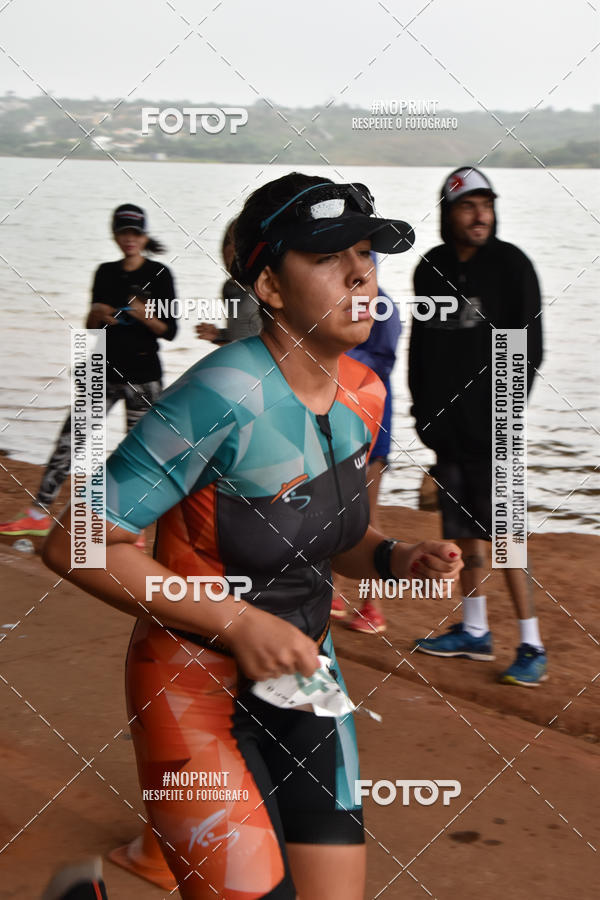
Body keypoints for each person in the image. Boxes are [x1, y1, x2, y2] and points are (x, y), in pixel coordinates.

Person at [43, 172, 463, 900]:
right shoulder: (221, 394)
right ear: (268, 285)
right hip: (193, 687)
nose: (362, 271)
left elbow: (323, 538)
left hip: (304, 684)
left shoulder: (365, 393)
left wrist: (397, 559)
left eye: (367, 252)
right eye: (331, 255)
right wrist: (239, 623)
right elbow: (74, 542)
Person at [409, 166, 546, 687]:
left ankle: (531, 643)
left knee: (507, 537)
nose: (480, 214)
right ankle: (474, 630)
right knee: (460, 531)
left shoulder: (512, 267)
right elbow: (419, 349)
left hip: (498, 429)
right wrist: (426, 418)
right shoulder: (431, 268)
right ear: (449, 213)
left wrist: (505, 421)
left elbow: (528, 348)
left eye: (486, 204)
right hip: (448, 431)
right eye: (468, 206)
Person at [0, 204, 177, 544]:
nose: (130, 239)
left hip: (144, 379)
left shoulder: (160, 274)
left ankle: (132, 528)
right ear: (115, 235)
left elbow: (169, 331)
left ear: (144, 236)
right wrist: (96, 313)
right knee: (68, 442)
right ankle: (38, 514)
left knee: (137, 456)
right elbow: (91, 330)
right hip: (103, 374)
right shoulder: (105, 273)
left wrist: (142, 315)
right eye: (124, 233)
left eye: (135, 233)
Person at [330, 253, 402, 634]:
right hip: (335, 420)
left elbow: (383, 362)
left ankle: (372, 605)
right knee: (329, 508)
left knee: (366, 514)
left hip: (373, 423)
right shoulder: (334, 303)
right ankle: (334, 593)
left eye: (365, 263)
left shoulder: (383, 306)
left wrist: (335, 355)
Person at [195, 218, 262, 345]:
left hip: (265, 361)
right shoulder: (230, 288)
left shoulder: (265, 284)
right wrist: (218, 336)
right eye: (228, 241)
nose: (231, 248)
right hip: (240, 360)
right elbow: (238, 336)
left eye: (237, 242)